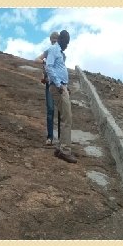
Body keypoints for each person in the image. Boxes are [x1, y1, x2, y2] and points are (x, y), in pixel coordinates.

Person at [45, 30, 76, 163]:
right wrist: (59, 84)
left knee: (64, 117)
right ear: (61, 40)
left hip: (61, 86)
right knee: (67, 118)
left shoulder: (60, 53)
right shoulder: (53, 49)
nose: (67, 45)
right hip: (58, 87)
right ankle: (65, 150)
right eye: (66, 42)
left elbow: (57, 69)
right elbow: (49, 67)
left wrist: (64, 84)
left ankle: (60, 147)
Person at [35, 31, 59, 146]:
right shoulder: (48, 51)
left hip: (59, 84)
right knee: (50, 110)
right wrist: (44, 61)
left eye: (55, 40)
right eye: (52, 40)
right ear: (51, 41)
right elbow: (37, 59)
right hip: (50, 84)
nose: (54, 42)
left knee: (60, 111)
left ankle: (60, 137)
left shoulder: (61, 53)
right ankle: (50, 137)